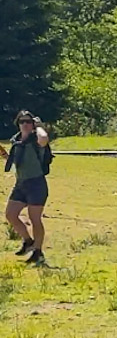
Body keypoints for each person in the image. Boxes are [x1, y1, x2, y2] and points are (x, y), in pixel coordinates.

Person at [6, 111, 52, 267]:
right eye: (21, 122)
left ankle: (38, 252)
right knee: (11, 215)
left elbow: (44, 139)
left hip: (36, 184)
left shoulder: (36, 140)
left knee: (35, 219)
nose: (25, 124)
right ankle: (28, 241)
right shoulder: (16, 141)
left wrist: (39, 126)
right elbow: (14, 160)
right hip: (21, 184)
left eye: (28, 121)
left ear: (32, 124)